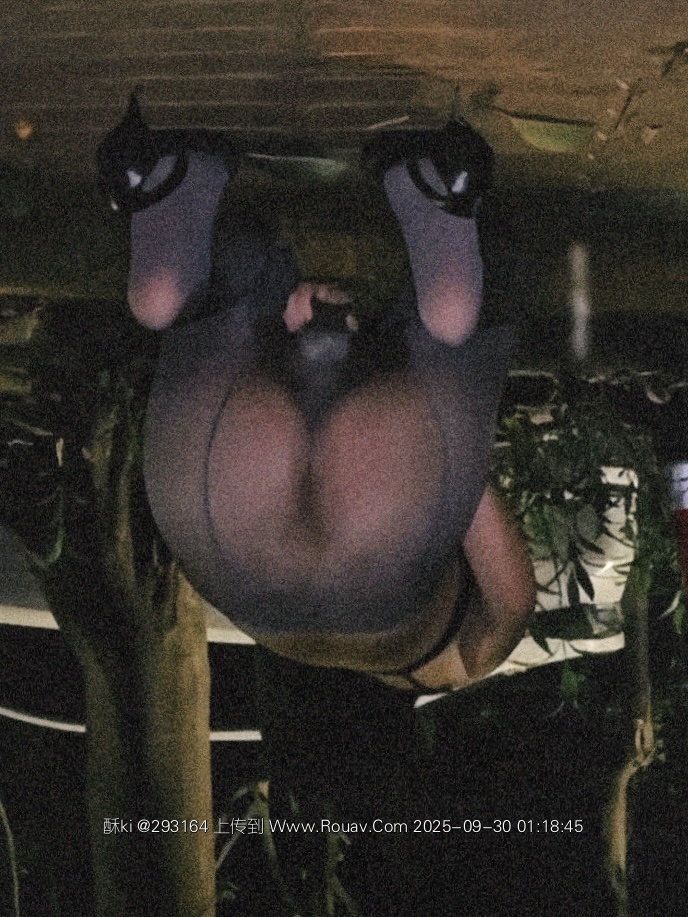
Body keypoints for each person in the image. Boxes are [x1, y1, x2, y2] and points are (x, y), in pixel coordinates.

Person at [97, 99, 535, 694]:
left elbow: (508, 590)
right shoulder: (299, 648)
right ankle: (165, 270)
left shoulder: (464, 666)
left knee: (481, 307)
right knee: (221, 296)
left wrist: (423, 433)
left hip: (382, 527)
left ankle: (446, 282)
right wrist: (310, 359)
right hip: (232, 550)